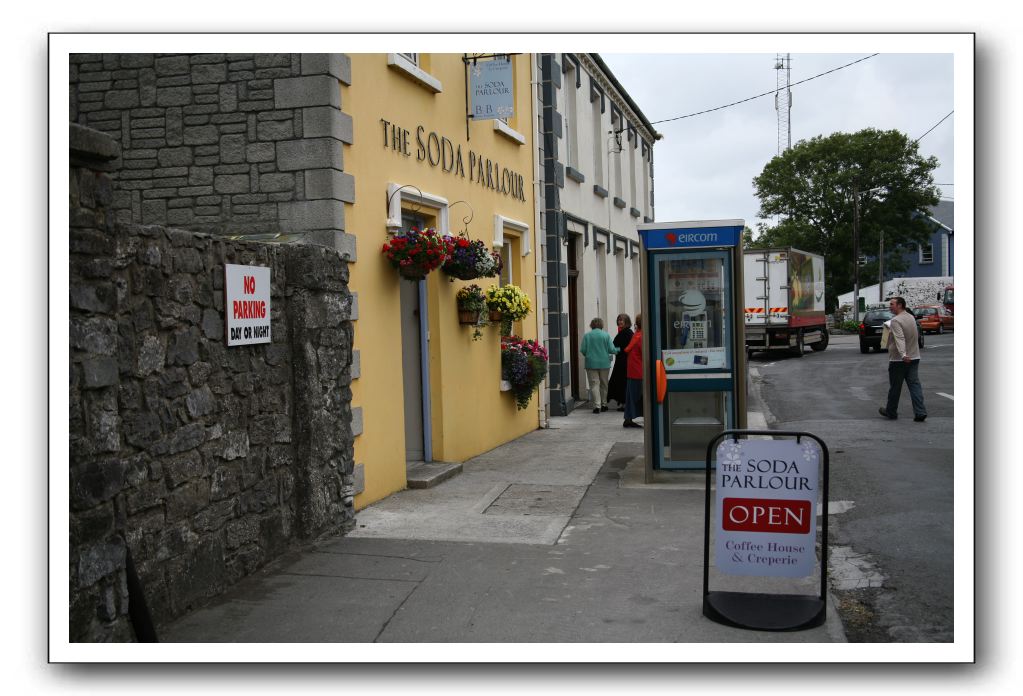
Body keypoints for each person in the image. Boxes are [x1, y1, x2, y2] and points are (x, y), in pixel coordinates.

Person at [879, 296, 928, 422]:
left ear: (900, 305)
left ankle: (891, 412)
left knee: (895, 387)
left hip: (899, 360)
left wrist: (903, 354)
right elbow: (914, 336)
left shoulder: (896, 321)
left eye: (892, 304)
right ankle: (920, 412)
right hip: (914, 357)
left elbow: (900, 339)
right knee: (915, 385)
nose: (890, 306)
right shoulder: (911, 317)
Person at [580, 317, 619, 413]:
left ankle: (597, 406)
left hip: (591, 363)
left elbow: (583, 350)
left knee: (594, 384)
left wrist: (589, 355)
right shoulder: (606, 335)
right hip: (604, 363)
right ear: (601, 325)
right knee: (604, 384)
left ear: (591, 325)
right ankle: (604, 404)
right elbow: (611, 350)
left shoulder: (587, 336)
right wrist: (619, 349)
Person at [607, 314, 634, 411]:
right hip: (621, 361)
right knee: (619, 381)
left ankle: (624, 403)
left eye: (621, 320)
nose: (619, 322)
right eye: (618, 320)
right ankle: (623, 403)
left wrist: (616, 350)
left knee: (622, 382)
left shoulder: (627, 333)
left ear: (626, 321)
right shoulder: (624, 332)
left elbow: (625, 347)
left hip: (624, 362)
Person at [622, 314, 643, 428]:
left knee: (631, 396)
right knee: (639, 396)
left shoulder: (636, 335)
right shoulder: (642, 337)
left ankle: (628, 418)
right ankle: (629, 418)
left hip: (633, 371)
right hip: (640, 371)